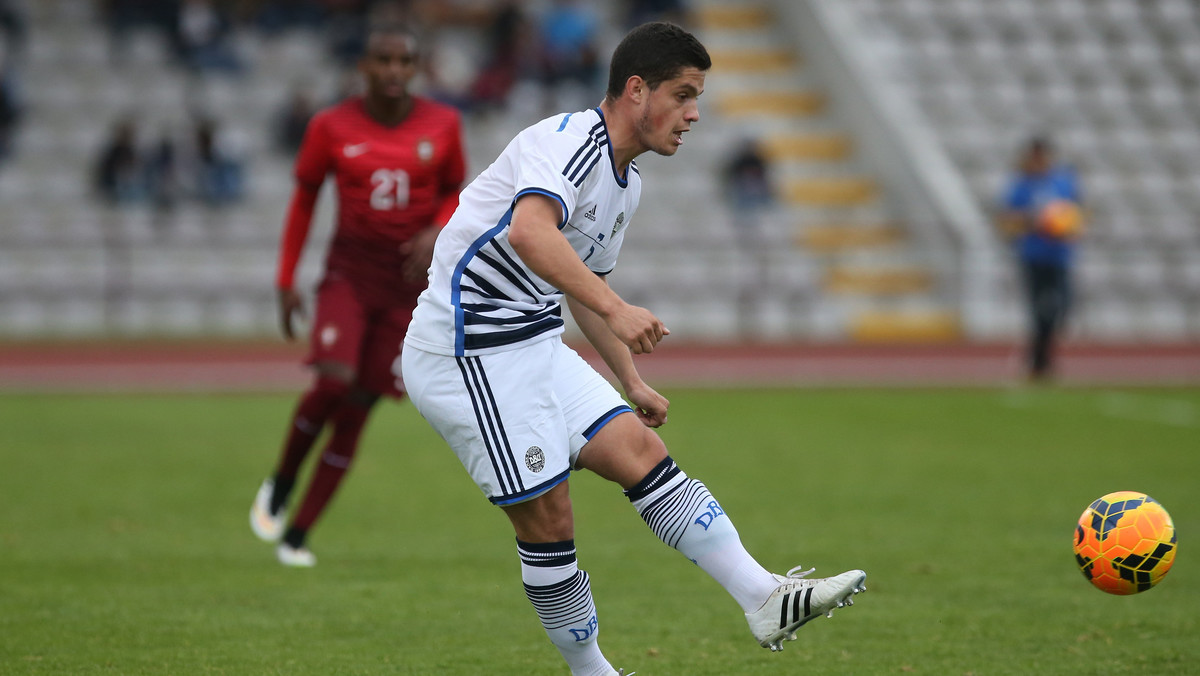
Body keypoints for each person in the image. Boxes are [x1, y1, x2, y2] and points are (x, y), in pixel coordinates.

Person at [401, 21, 866, 675]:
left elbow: (588, 292)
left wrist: (631, 383)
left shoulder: (627, 183)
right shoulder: (567, 143)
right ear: (637, 89)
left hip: (529, 339)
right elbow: (533, 234)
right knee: (548, 515)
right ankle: (591, 670)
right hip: (466, 351)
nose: (694, 114)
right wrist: (618, 311)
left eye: (698, 98)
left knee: (640, 450)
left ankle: (765, 596)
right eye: (683, 95)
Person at [249, 24, 466, 567]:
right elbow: (303, 201)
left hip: (410, 292)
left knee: (359, 407)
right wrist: (285, 280)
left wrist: (437, 227)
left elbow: (456, 193)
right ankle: (283, 476)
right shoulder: (330, 125)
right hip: (349, 275)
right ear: (363, 66)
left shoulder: (443, 124)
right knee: (332, 382)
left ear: (415, 68)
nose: (394, 71)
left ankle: (297, 535)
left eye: (404, 61)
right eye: (383, 60)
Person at [997, 136, 1084, 381]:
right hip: (1033, 256)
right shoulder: (1021, 185)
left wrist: (1070, 226)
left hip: (1060, 256)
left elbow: (1078, 214)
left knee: (1061, 308)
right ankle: (1040, 362)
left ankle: (1040, 357)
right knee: (1038, 310)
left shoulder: (1063, 183)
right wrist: (1035, 222)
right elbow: (1007, 221)